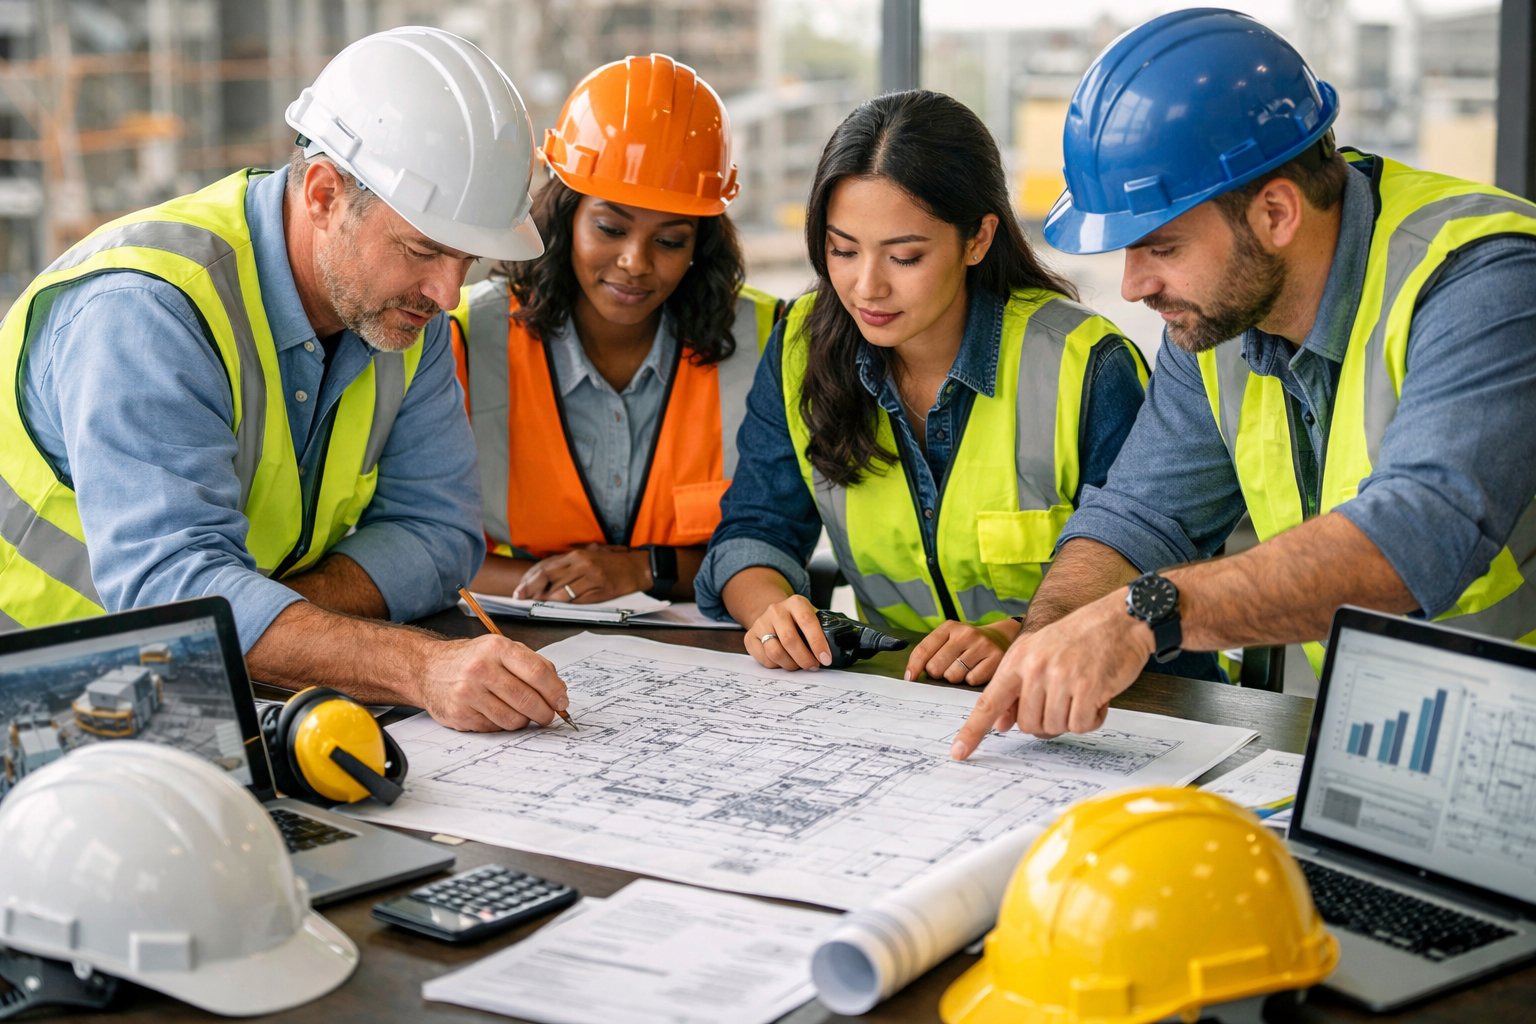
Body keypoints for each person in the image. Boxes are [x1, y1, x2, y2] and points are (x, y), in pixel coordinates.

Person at [953, 8, 1536, 757]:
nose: (1132, 285)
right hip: (1379, 738)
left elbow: (1413, 536)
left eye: (1159, 246)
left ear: (1275, 212)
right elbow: (1137, 517)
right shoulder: (1217, 318)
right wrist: (1048, 641)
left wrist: (1144, 612)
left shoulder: (1486, 281)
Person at [0, 27, 569, 733]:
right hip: (33, 706)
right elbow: (178, 603)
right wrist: (416, 666)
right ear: (326, 193)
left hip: (201, 701)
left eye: (468, 258)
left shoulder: (400, 316)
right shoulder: (147, 311)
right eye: (423, 249)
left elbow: (440, 532)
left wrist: (272, 617)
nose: (448, 293)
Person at [694, 90, 1149, 685]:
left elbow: (1153, 573)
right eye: (842, 250)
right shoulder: (801, 346)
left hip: (1098, 694)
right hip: (904, 701)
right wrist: (771, 611)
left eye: (904, 257)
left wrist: (1022, 634)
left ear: (978, 240)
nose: (866, 287)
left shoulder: (1084, 363)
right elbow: (755, 529)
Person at [449, 54, 779, 606]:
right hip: (506, 635)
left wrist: (642, 570)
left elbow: (777, 538)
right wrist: (560, 587)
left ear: (702, 244)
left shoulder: (768, 340)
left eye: (671, 240)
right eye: (610, 228)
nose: (635, 262)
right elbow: (422, 540)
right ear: (565, 215)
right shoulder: (462, 337)